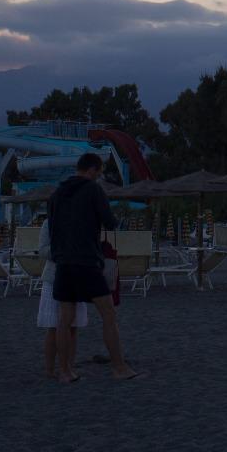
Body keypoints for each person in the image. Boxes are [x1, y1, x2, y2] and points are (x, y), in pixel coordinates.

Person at [49, 153, 139, 381]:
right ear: (92, 169)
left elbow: (52, 230)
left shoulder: (57, 193)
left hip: (63, 262)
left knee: (64, 318)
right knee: (108, 314)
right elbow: (110, 222)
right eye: (99, 172)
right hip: (87, 261)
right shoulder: (93, 190)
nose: (99, 176)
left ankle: (65, 372)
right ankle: (119, 368)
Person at [36, 216, 89, 380]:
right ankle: (51, 369)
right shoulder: (50, 223)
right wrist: (65, 250)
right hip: (54, 277)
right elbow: (43, 250)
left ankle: (69, 367)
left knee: (73, 327)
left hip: (77, 276)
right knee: (52, 327)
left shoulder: (82, 221)